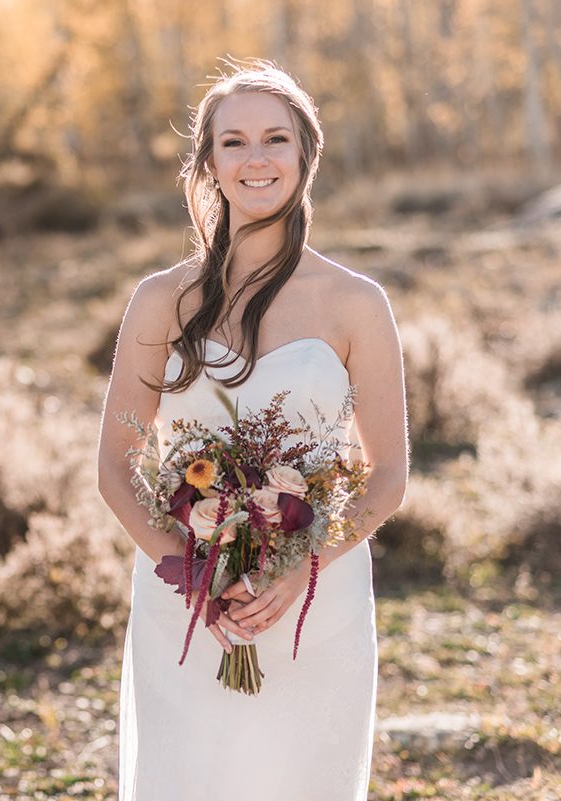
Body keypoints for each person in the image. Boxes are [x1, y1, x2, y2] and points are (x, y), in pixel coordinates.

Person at [96, 59, 409, 800]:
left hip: (313, 604)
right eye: (233, 143)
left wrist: (300, 568)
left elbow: (388, 472)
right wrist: (193, 576)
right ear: (208, 162)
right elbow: (117, 466)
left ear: (306, 154)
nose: (256, 158)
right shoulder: (161, 299)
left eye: (276, 138)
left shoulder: (356, 303)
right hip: (185, 606)